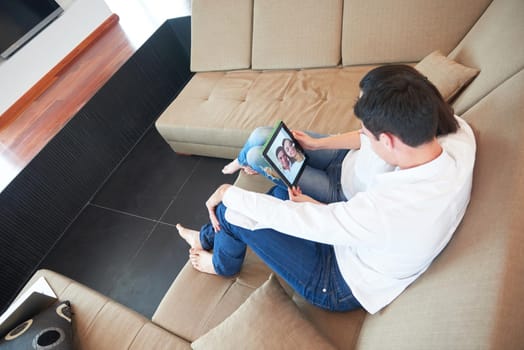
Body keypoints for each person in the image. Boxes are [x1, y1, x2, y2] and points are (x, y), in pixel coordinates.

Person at [178, 64, 476, 314]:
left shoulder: (391, 207)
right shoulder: (459, 139)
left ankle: (221, 264)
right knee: (279, 197)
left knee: (234, 210)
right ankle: (207, 236)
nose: (363, 139)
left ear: (388, 141)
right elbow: (345, 220)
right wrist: (310, 195)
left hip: (336, 279)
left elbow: (336, 221)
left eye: (367, 136)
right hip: (357, 240)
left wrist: (227, 193)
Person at [222, 65, 459, 204]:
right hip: (343, 157)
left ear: (387, 140)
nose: (364, 126)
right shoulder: (401, 123)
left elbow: (354, 216)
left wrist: (311, 204)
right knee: (261, 134)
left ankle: (247, 160)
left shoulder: (405, 162)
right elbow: (362, 137)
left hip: (338, 191)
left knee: (257, 156)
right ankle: (241, 160)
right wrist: (317, 143)